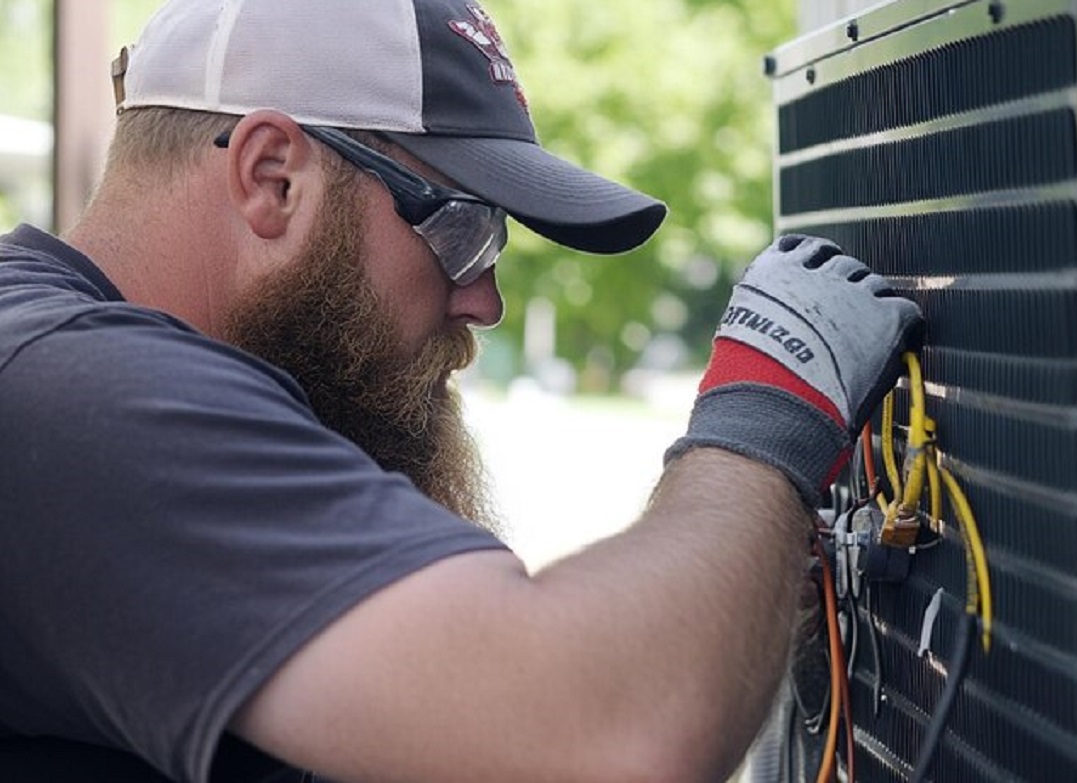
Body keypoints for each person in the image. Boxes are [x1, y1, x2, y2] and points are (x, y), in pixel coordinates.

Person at [0, 0, 922, 781]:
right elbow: (602, 733)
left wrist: (738, 588)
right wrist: (765, 409)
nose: (483, 298)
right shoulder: (79, 394)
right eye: (464, 228)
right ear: (271, 177)